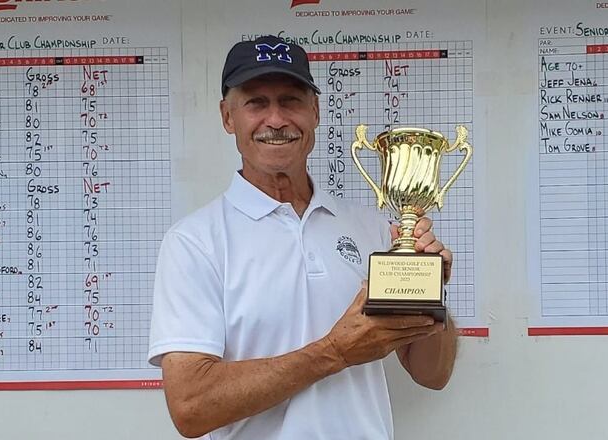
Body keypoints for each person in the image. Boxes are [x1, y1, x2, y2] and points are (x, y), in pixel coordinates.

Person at [148, 35, 458, 440]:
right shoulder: (194, 243)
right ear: (228, 117)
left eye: (291, 101)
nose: (276, 120)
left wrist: (431, 294)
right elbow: (191, 407)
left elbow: (432, 373)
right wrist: (334, 352)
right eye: (256, 103)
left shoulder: (371, 228)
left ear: (315, 112)